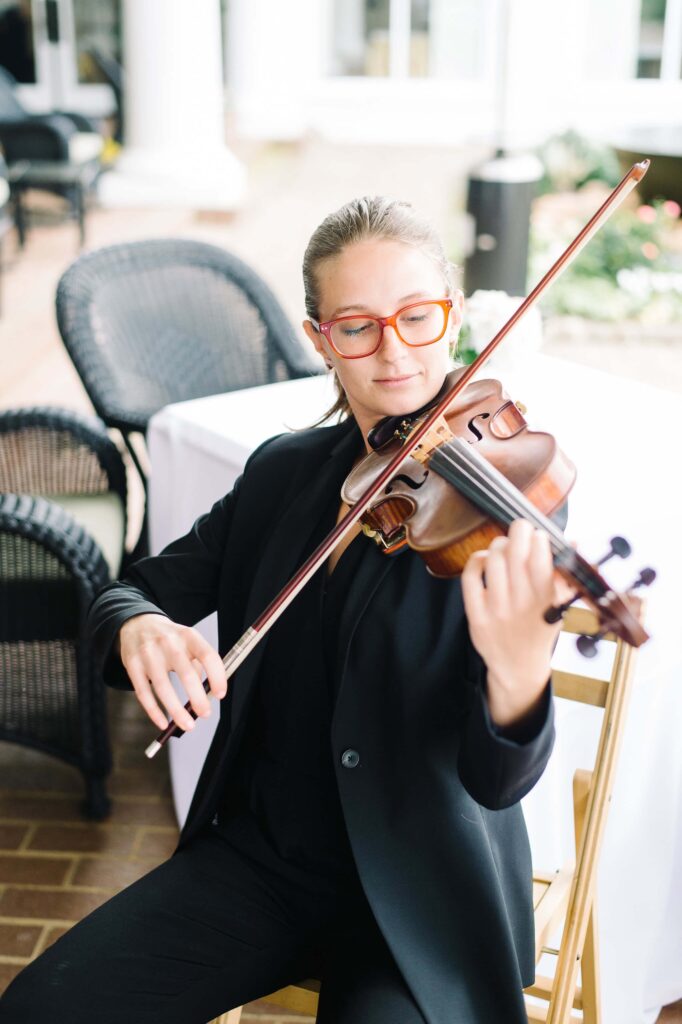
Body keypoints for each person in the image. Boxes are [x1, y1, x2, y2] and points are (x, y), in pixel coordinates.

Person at [1, 197, 569, 1024]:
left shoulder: (505, 489)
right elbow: (133, 589)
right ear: (318, 340)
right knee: (40, 1011)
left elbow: (495, 780)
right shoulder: (283, 472)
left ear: (450, 312)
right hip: (265, 863)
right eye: (357, 326)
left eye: (418, 317)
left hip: (419, 891)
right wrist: (136, 624)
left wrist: (520, 684)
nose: (395, 350)